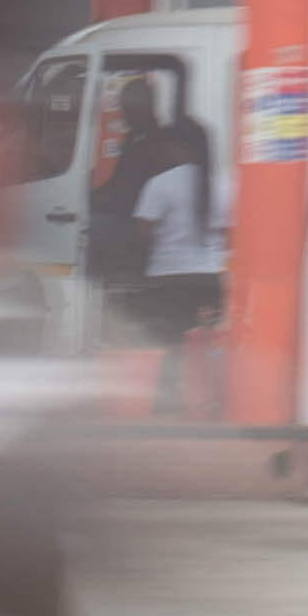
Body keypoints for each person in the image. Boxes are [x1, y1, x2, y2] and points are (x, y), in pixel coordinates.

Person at [115, 112, 228, 419]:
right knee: (208, 341)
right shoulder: (225, 183)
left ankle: (172, 401)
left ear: (177, 147)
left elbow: (142, 234)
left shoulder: (160, 184)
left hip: (170, 278)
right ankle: (208, 400)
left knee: (172, 340)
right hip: (213, 277)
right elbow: (233, 236)